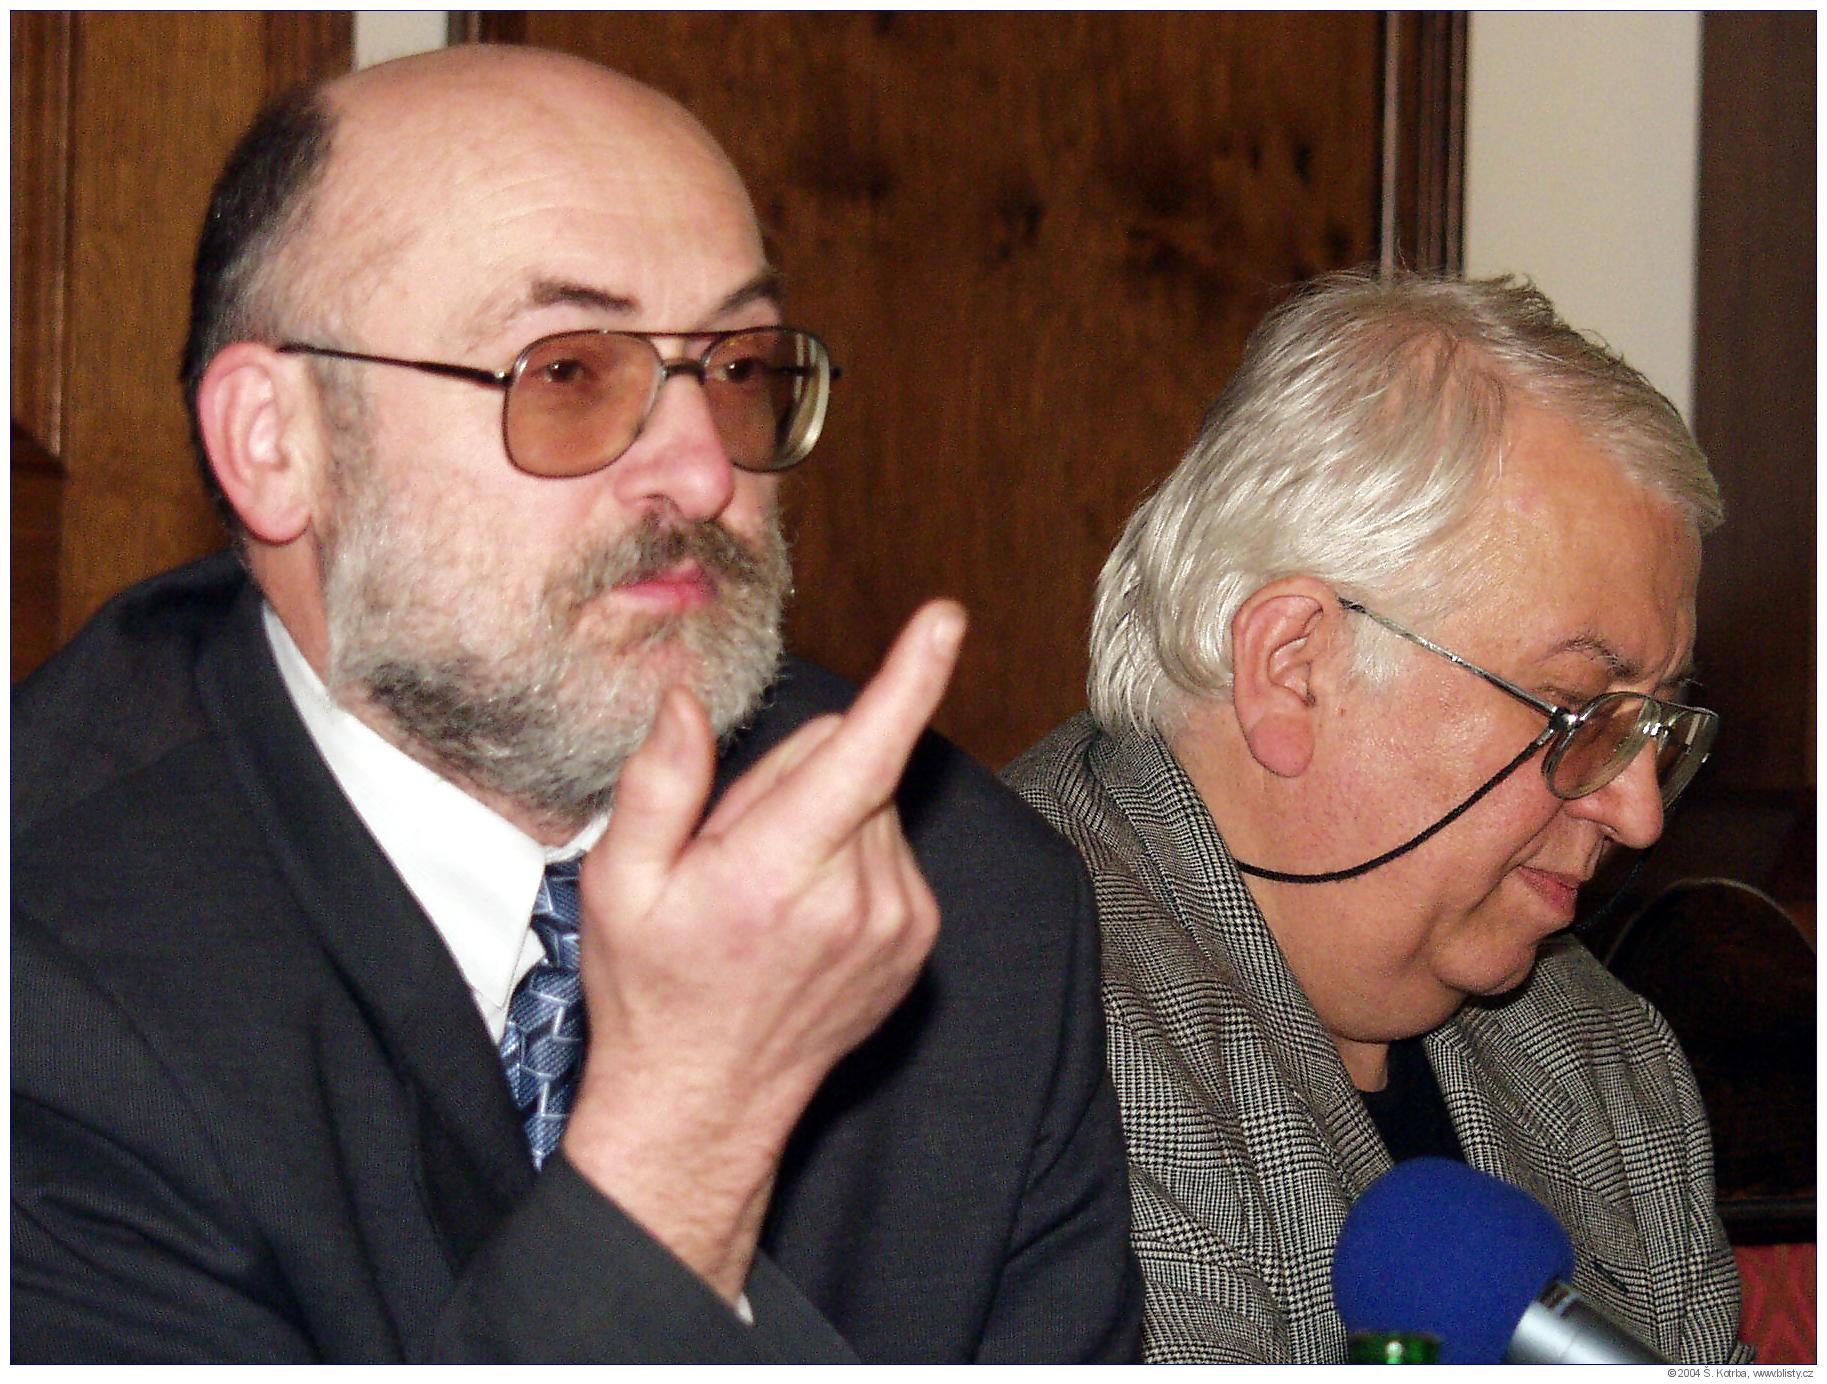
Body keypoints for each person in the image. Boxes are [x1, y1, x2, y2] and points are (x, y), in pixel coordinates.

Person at [12, 45, 1140, 1363]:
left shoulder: (963, 903)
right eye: (565, 373)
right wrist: (688, 1127)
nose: (702, 473)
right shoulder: (47, 972)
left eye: (735, 367)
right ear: (276, 443)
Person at [1005, 270, 1749, 1363]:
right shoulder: (1019, 1033)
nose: (1637, 811)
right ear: (1295, 666)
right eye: (1580, 710)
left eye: (1655, 728)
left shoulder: (1605, 1063)